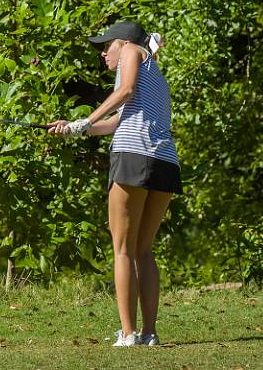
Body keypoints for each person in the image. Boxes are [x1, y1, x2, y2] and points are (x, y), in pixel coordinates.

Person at [48, 21, 182, 347]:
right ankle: (149, 334)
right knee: (142, 250)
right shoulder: (156, 75)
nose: (104, 53)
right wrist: (77, 128)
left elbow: (124, 92)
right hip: (164, 162)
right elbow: (118, 120)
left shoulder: (131, 54)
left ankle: (128, 334)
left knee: (122, 249)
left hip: (133, 157)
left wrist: (86, 119)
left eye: (106, 46)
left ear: (123, 43)